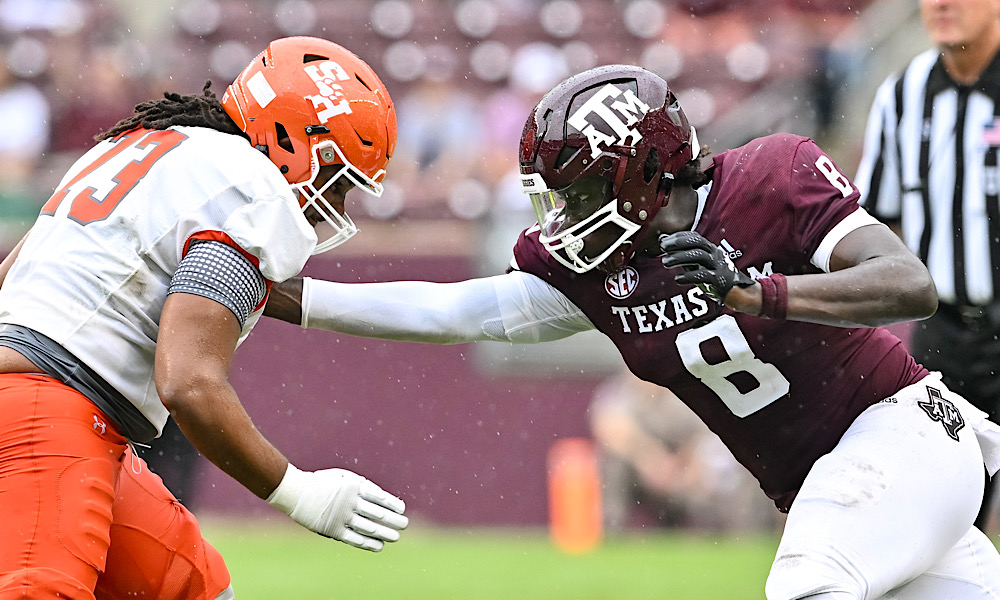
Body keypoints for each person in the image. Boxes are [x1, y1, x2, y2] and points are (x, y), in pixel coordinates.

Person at [263, 64, 1000, 599]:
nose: (560, 216)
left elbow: (908, 284)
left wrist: (757, 292)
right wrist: (282, 296)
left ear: (643, 171)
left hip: (904, 430)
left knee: (807, 587)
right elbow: (452, 312)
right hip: (844, 480)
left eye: (576, 192)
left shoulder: (770, 179)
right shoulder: (597, 270)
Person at [0, 36, 408, 600]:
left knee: (195, 589)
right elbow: (188, 382)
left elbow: (12, 275)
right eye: (338, 180)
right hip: (49, 409)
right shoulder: (253, 190)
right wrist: (295, 490)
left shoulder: (143, 144)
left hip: (68, 412)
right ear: (292, 139)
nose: (337, 206)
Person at [853, 0, 1000, 533]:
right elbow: (874, 223)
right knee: (948, 521)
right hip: (945, 335)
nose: (941, 3)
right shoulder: (902, 95)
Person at [589, 369, 778, 533]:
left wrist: (687, 468)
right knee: (614, 461)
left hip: (687, 478)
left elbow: (706, 436)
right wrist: (650, 459)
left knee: (742, 465)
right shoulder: (621, 391)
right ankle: (611, 533)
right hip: (644, 478)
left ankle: (740, 539)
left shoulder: (684, 391)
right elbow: (610, 427)